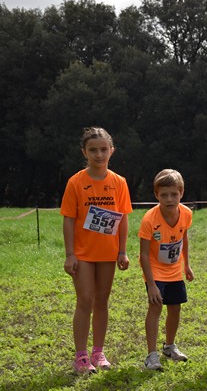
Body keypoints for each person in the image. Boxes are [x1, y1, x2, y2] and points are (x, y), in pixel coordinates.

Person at [61, 127, 132, 374]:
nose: (99, 155)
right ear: (85, 152)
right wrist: (70, 254)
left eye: (103, 149)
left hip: (108, 254)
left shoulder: (119, 182)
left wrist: (122, 251)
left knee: (102, 301)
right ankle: (81, 357)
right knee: (85, 300)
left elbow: (123, 218)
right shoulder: (76, 182)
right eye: (93, 150)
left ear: (111, 151)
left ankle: (98, 353)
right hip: (82, 254)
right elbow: (69, 219)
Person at [138, 169, 194, 371]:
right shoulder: (149, 220)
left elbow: (183, 238)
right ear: (156, 195)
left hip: (174, 270)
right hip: (154, 271)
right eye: (164, 195)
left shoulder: (186, 213)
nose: (169, 199)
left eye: (174, 194)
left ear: (181, 192)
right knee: (156, 307)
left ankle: (169, 347)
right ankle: (151, 355)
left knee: (175, 307)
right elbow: (143, 254)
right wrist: (151, 284)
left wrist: (186, 264)